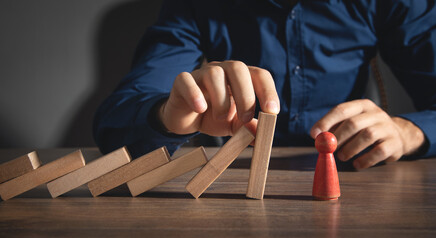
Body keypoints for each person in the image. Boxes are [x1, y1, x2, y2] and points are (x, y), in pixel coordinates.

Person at [93, 0, 436, 170]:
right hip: (235, 178)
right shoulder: (194, 5)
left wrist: (409, 131)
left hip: (355, 177)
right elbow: (117, 125)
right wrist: (166, 117)